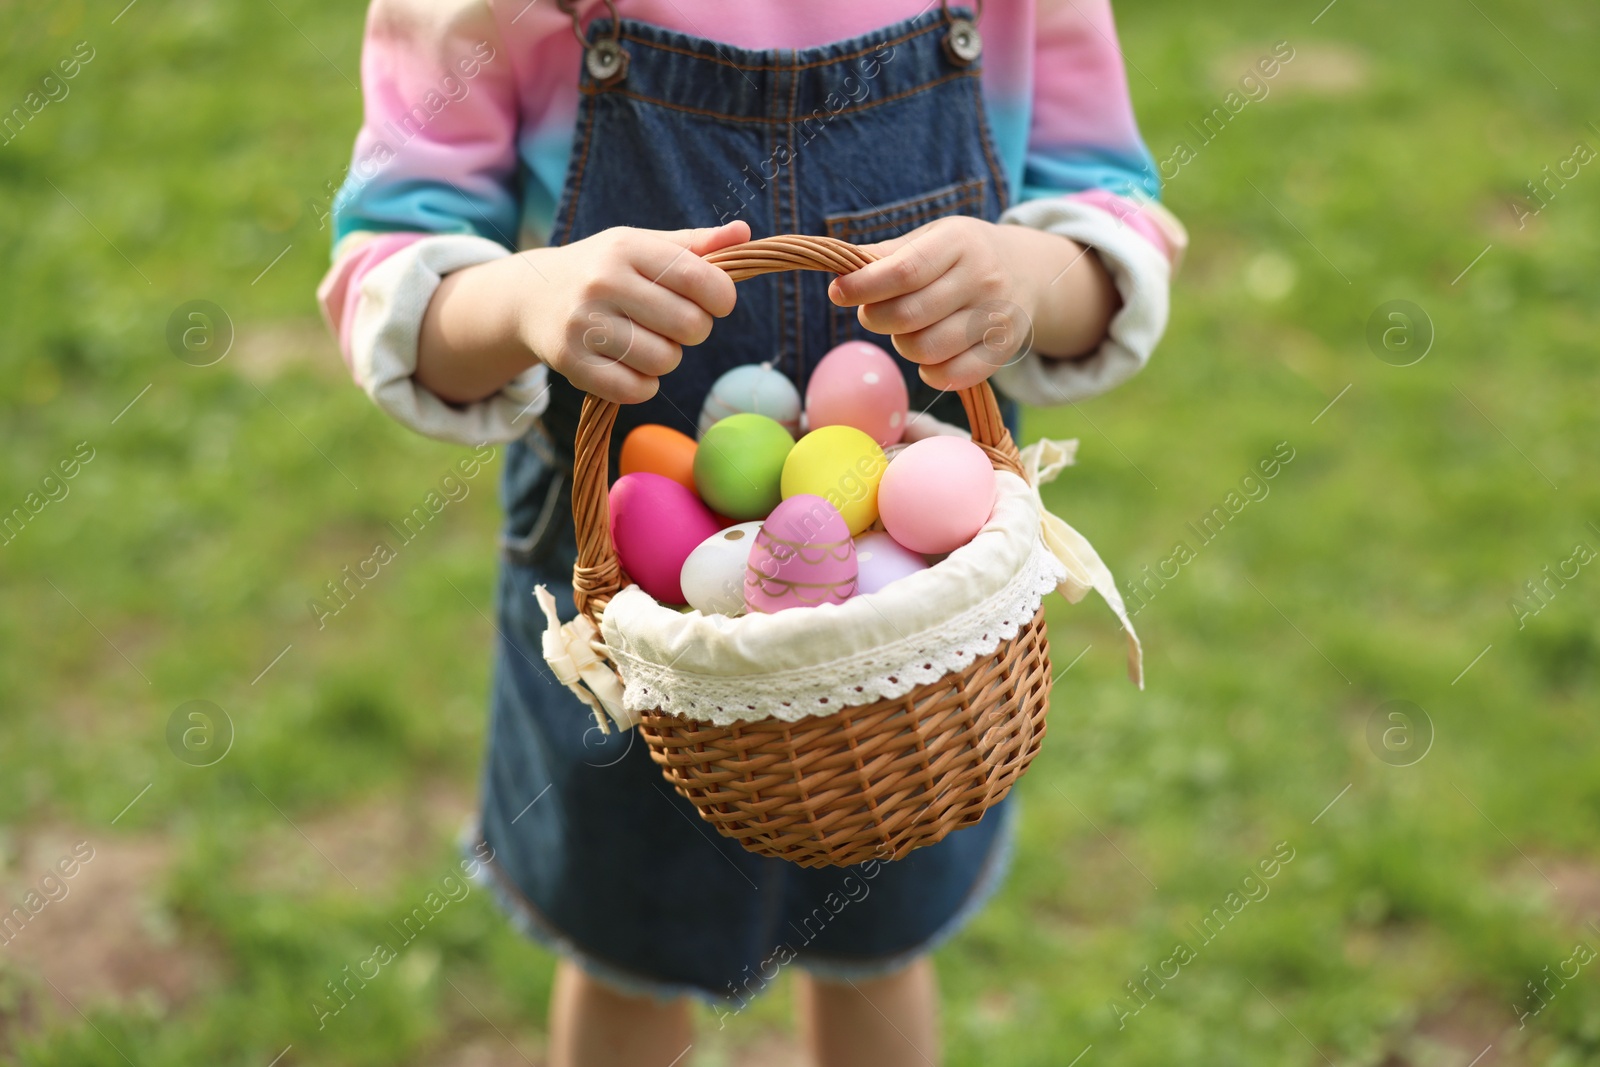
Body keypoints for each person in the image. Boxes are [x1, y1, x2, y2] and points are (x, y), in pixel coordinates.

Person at [317, 0, 1184, 1063]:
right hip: (631, 601)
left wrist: (1035, 277)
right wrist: (524, 296)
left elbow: (1111, 219)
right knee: (627, 947)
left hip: (914, 613)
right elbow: (388, 268)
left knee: (875, 942)